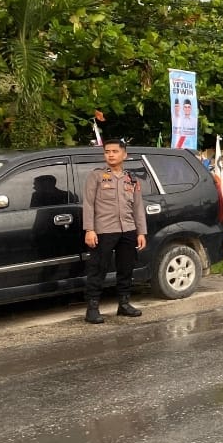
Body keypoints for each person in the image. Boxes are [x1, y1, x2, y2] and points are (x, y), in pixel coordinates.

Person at [82, 138, 147, 324]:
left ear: (124, 154)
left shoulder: (131, 179)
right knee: (98, 268)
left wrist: (141, 232)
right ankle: (92, 308)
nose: (110, 155)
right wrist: (89, 229)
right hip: (103, 230)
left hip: (127, 229)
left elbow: (138, 207)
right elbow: (88, 204)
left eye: (114, 151)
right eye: (107, 151)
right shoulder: (96, 176)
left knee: (126, 268)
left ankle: (124, 304)